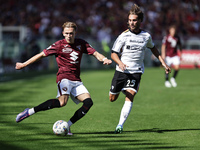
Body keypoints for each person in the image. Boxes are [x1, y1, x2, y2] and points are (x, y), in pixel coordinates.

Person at [15, 21, 112, 135]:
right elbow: (41, 55)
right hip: (64, 78)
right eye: (67, 33)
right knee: (62, 103)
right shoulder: (58, 45)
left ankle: (68, 126)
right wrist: (24, 64)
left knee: (88, 102)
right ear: (63, 33)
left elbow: (95, 53)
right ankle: (29, 111)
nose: (69, 35)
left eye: (71, 33)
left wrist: (104, 59)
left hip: (76, 80)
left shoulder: (81, 43)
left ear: (75, 33)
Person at [109, 4, 171, 134]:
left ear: (140, 21)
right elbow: (113, 53)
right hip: (121, 71)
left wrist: (163, 63)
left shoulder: (146, 36)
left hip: (136, 71)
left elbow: (154, 49)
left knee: (131, 95)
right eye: (130, 20)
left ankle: (120, 125)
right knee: (112, 99)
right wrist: (119, 62)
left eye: (134, 20)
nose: (131, 22)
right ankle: (123, 89)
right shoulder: (123, 36)